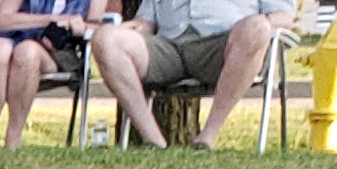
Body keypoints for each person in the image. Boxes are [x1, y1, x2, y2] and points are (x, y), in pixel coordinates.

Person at [92, 0, 291, 147]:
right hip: (168, 47)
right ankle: (154, 141)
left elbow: (284, 17)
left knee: (257, 27)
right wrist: (125, 28)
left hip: (222, 46)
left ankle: (207, 138)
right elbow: (146, 21)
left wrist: (255, 26)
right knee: (105, 38)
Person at [0, 0, 116, 149]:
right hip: (8, 38)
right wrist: (54, 20)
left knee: (27, 52)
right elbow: (2, 21)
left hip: (55, 52)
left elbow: (95, 26)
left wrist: (80, 27)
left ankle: (13, 138)